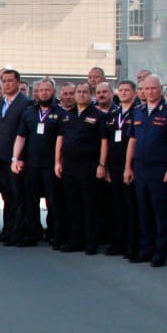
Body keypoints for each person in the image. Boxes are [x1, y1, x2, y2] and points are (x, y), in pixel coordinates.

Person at [124, 75, 167, 267]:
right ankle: (146, 249)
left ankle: (160, 251)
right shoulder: (137, 111)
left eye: (153, 88)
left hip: (160, 168)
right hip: (140, 167)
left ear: (160, 88)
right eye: (146, 88)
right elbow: (132, 141)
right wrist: (128, 167)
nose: (149, 92)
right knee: (143, 210)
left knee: (160, 211)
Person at [55, 82, 108, 253]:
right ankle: (74, 240)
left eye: (85, 92)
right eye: (78, 92)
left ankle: (91, 242)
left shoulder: (98, 115)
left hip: (89, 165)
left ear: (91, 95)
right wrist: (57, 162)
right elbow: (60, 139)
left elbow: (104, 142)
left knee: (90, 204)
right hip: (69, 165)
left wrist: (102, 164)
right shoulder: (67, 115)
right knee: (72, 204)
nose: (81, 94)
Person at [11, 78, 61, 247]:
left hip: (51, 165)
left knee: (53, 201)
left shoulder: (60, 112)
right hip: (31, 164)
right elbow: (21, 137)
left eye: (47, 90)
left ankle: (55, 234)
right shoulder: (29, 113)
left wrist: (58, 162)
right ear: (36, 93)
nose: (44, 93)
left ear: (53, 92)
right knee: (30, 200)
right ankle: (33, 233)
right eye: (41, 90)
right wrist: (15, 158)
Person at [0, 69, 30, 243]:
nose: (7, 84)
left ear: (18, 82)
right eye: (4, 81)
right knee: (7, 196)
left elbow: (26, 133)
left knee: (18, 196)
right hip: (1, 157)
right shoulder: (1, 102)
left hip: (16, 159)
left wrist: (21, 157)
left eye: (10, 81)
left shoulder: (26, 103)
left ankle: (18, 232)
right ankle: (8, 230)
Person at [104, 79, 138, 258]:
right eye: (121, 90)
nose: (123, 93)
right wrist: (105, 166)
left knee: (130, 207)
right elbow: (106, 141)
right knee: (116, 206)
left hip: (130, 166)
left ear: (134, 93)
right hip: (114, 165)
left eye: (127, 90)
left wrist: (128, 167)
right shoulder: (113, 113)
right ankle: (117, 242)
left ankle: (131, 245)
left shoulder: (138, 113)